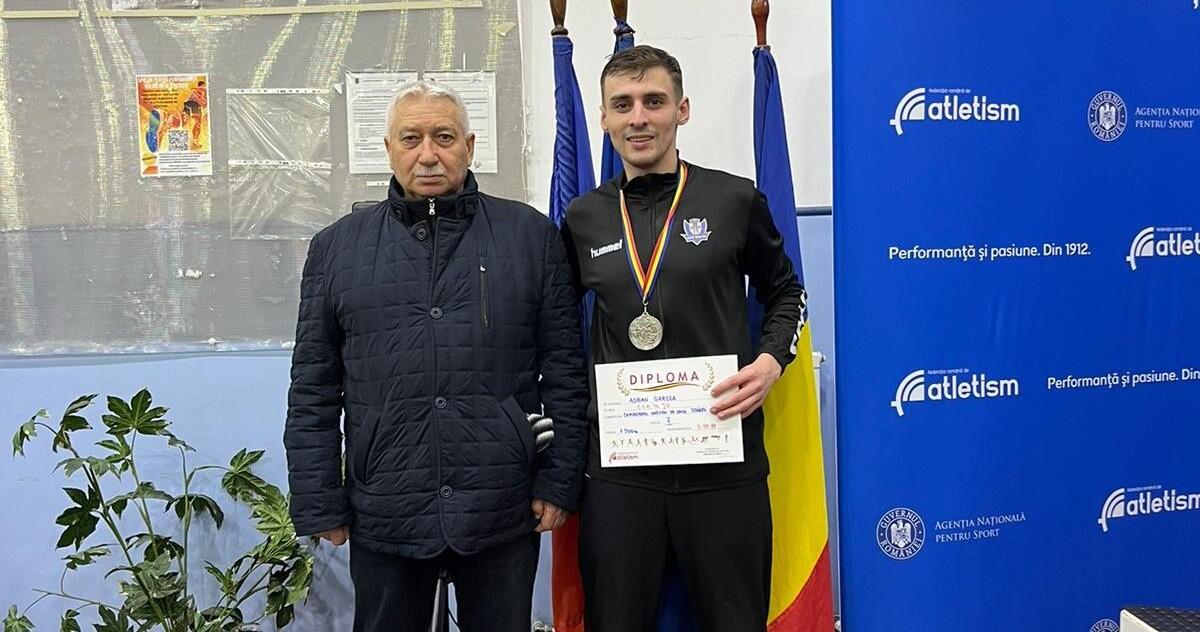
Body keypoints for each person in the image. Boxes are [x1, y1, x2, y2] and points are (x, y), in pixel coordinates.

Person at [284, 80, 588, 632]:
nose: (428, 154)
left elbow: (565, 369)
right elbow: (313, 387)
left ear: (469, 147)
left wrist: (559, 480)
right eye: (411, 138)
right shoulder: (336, 249)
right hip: (386, 504)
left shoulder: (530, 237)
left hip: (500, 503)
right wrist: (319, 499)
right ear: (389, 150)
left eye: (444, 137)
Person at [560, 45, 805, 632]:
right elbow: (556, 328)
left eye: (654, 101)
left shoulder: (734, 199)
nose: (638, 118)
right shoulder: (582, 217)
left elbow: (786, 292)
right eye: (622, 105)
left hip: (722, 463)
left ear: (682, 110)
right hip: (621, 475)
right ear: (603, 118)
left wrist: (771, 360)